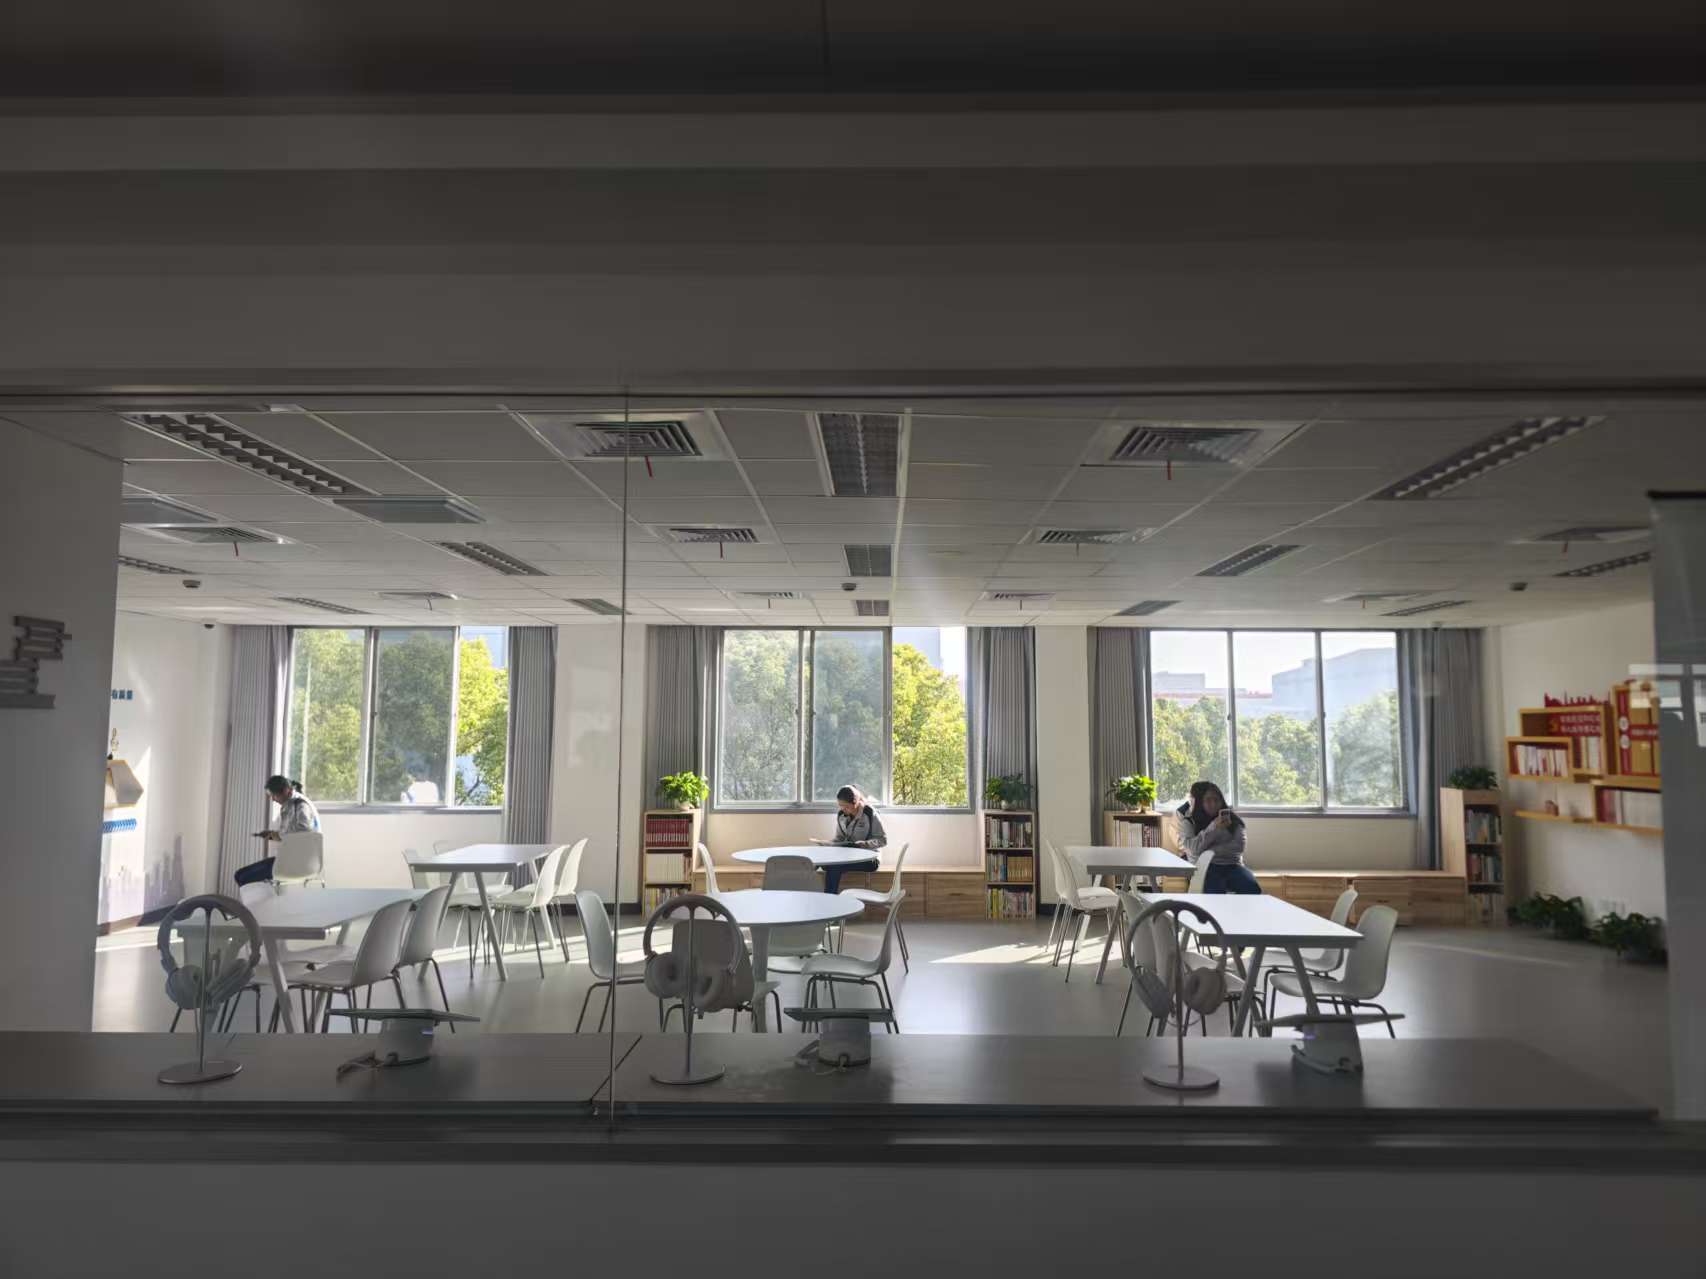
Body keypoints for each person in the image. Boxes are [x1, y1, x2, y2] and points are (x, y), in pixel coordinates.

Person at [1172, 780, 1260, 894]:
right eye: (1208, 800)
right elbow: (1194, 849)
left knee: (1252, 888)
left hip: (1233, 865)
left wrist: (1208, 850)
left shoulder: (1233, 820)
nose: (1213, 804)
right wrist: (1214, 828)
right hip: (1206, 867)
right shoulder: (1189, 821)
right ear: (1201, 802)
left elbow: (1238, 847)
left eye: (1216, 800)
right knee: (1214, 892)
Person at [235, 775, 321, 888]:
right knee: (239, 875)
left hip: (299, 861)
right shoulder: (292, 804)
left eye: (274, 795)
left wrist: (277, 835)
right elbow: (293, 833)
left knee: (244, 878)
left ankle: (265, 899)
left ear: (285, 791)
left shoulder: (300, 805)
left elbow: (304, 834)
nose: (273, 799)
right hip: (292, 858)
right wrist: (273, 834)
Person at [810, 784, 886, 893]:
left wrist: (864, 844)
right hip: (849, 855)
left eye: (846, 806)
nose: (842, 809)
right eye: (840, 805)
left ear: (855, 803)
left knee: (834, 866)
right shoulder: (841, 815)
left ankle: (829, 899)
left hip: (869, 859)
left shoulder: (869, 813)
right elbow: (839, 838)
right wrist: (827, 844)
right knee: (820, 861)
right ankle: (806, 894)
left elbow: (882, 840)